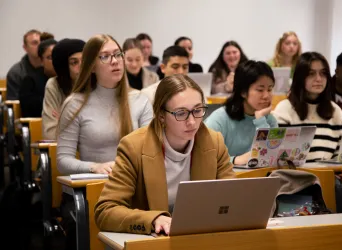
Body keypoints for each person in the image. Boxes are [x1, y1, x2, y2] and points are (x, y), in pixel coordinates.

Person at [94, 74, 235, 235]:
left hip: (199, 237)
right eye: (181, 113)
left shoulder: (213, 142)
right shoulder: (133, 147)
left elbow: (232, 198)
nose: (192, 121)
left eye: (197, 110)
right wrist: (152, 219)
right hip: (154, 242)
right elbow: (105, 211)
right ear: (161, 116)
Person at [57, 34, 153, 175]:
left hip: (135, 183)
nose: (114, 61)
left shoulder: (140, 100)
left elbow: (150, 152)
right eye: (105, 56)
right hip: (96, 186)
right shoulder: (75, 104)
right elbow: (63, 160)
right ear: (92, 67)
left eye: (118, 54)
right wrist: (95, 167)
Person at [272, 52, 342, 162]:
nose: (319, 79)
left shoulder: (335, 111)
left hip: (329, 175)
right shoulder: (284, 109)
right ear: (300, 78)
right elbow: (277, 154)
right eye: (311, 74)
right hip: (293, 175)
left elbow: (339, 156)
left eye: (323, 73)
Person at [205, 60, 277, 165]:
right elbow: (204, 156)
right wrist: (234, 160)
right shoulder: (220, 118)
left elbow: (270, 154)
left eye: (270, 89)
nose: (266, 96)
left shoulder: (269, 120)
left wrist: (261, 120)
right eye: (260, 90)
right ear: (243, 92)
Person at [42, 38, 85, 139]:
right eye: (74, 62)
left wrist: (65, 124)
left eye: (84, 61)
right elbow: (50, 134)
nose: (81, 67)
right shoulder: (54, 85)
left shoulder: (98, 83)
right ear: (64, 67)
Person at [19, 33, 57, 117]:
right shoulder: (30, 81)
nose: (55, 60)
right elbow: (30, 113)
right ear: (41, 60)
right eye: (50, 57)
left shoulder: (67, 78)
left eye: (57, 56)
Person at [6, 29, 44, 100]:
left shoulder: (51, 68)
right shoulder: (15, 73)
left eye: (41, 42)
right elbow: (14, 103)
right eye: (34, 43)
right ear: (25, 48)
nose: (40, 45)